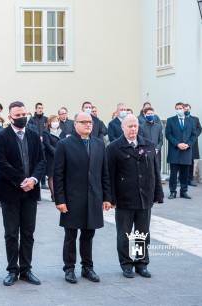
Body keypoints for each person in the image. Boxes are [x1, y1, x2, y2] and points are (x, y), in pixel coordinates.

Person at [53, 112, 112, 284]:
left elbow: (104, 172)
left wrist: (107, 196)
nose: (88, 125)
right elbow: (58, 175)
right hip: (72, 198)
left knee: (88, 234)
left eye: (90, 122)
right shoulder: (65, 144)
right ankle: (69, 268)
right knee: (70, 235)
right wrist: (60, 200)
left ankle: (87, 267)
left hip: (93, 197)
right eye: (84, 122)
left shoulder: (99, 144)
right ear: (75, 124)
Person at [0, 101, 46, 286]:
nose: (22, 118)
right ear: (10, 118)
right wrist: (21, 180)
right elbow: (1, 163)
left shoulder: (33, 135)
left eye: (24, 114)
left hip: (30, 192)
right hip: (10, 193)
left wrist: (33, 180)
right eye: (17, 115)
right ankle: (12, 270)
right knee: (11, 234)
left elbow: (41, 160)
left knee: (28, 233)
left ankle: (26, 269)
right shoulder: (0, 137)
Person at [106, 114, 163, 279]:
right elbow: (109, 175)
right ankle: (126, 264)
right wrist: (110, 198)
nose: (133, 129)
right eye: (129, 126)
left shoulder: (149, 145)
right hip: (124, 199)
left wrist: (157, 194)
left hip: (144, 197)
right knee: (124, 235)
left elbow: (155, 171)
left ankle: (141, 263)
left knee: (142, 234)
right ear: (122, 127)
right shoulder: (114, 148)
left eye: (135, 126)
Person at [165, 102, 197, 200]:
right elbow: (168, 135)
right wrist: (178, 144)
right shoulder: (170, 120)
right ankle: (173, 192)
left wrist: (188, 144)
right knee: (173, 174)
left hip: (186, 151)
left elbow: (193, 135)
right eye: (177, 108)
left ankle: (184, 192)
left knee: (184, 173)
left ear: (184, 109)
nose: (178, 110)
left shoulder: (190, 121)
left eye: (180, 108)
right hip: (175, 150)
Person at [43, 115, 65, 201]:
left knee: (60, 175)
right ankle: (54, 195)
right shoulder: (46, 132)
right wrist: (56, 153)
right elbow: (47, 145)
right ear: (49, 122)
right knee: (51, 176)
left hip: (61, 156)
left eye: (57, 121)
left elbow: (64, 142)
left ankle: (60, 193)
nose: (55, 123)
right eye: (53, 121)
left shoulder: (61, 132)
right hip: (51, 157)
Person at [138, 107, 163, 172]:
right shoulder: (141, 127)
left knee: (157, 171)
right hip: (146, 153)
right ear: (145, 115)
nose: (150, 115)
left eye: (152, 113)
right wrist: (148, 149)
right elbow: (141, 140)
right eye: (148, 114)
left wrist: (157, 149)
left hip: (157, 153)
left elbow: (161, 140)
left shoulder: (158, 126)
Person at [183, 104, 202, 187]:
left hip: (192, 143)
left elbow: (199, 128)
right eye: (185, 109)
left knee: (191, 161)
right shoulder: (180, 119)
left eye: (188, 109)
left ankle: (190, 179)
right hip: (183, 143)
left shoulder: (195, 119)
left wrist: (194, 136)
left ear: (190, 109)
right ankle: (182, 179)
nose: (187, 111)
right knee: (182, 161)